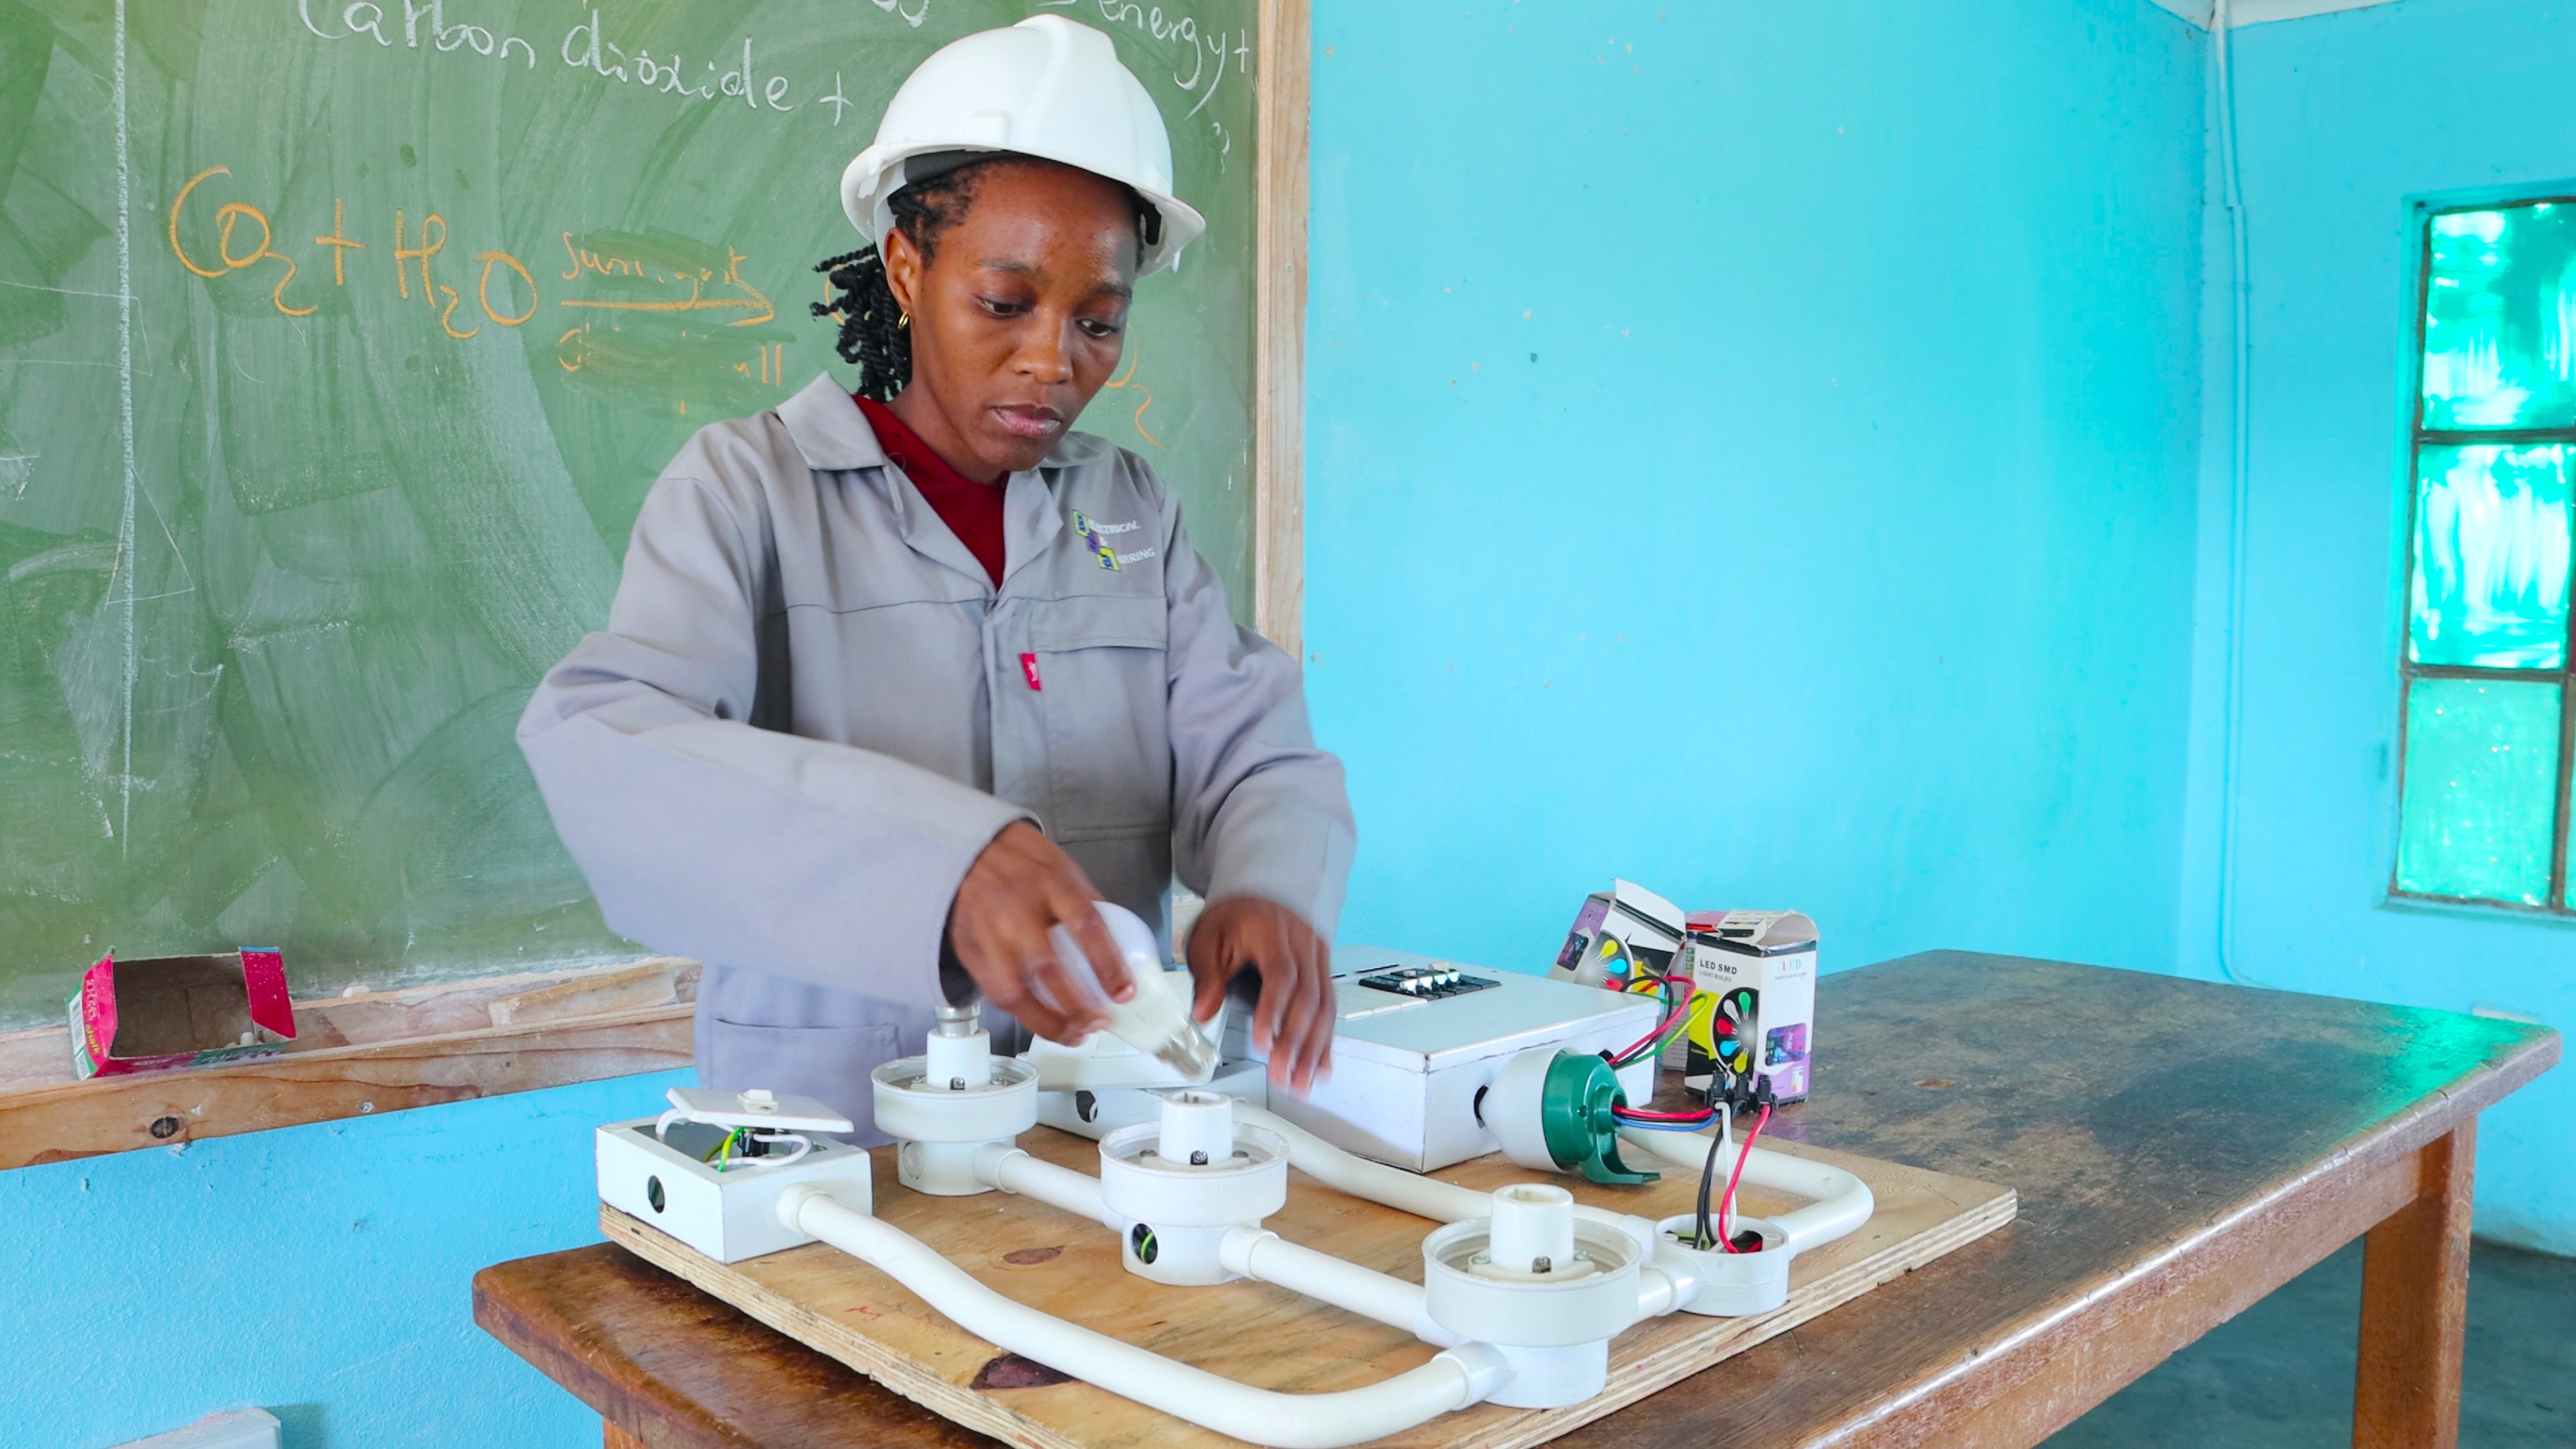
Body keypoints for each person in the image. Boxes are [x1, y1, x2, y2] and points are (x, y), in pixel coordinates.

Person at [518, 15, 1352, 1140]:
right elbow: (600, 743)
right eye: (1005, 304)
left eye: (1100, 321)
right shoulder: (749, 489)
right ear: (908, 268)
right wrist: (943, 866)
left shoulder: (1129, 512)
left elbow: (1254, 751)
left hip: (1095, 1149)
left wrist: (1268, 886)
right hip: (832, 1163)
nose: (1054, 359)